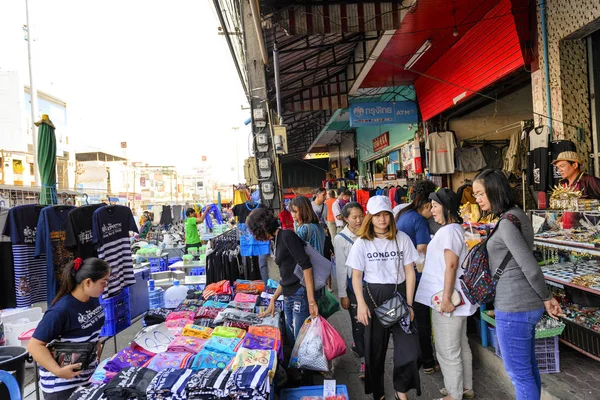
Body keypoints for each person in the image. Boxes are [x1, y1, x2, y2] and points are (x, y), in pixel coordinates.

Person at [473, 169, 564, 400]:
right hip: (524, 304)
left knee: (518, 374)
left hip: (515, 307)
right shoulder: (516, 214)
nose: (477, 199)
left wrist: (547, 298)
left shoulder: (506, 224)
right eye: (476, 195)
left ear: (494, 190)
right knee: (528, 369)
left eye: (480, 193)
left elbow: (530, 266)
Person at [346, 196, 421, 400]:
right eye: (377, 215)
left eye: (386, 214)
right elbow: (356, 276)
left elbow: (410, 272)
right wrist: (360, 304)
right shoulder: (361, 243)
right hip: (373, 297)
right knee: (375, 351)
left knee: (410, 349)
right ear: (370, 217)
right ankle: (378, 393)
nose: (382, 219)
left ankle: (401, 390)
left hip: (399, 297)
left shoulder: (402, 238)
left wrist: (410, 303)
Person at [415, 189, 478, 400]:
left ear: (447, 207)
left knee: (447, 349)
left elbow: (451, 265)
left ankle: (454, 394)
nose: (431, 210)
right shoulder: (454, 229)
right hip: (456, 299)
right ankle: (464, 388)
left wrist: (445, 298)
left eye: (435, 205)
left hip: (449, 300)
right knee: (460, 345)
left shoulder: (449, 231)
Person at [28, 258, 110, 400]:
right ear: (88, 282)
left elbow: (92, 331)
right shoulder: (60, 311)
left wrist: (96, 351)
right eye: (103, 282)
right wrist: (58, 371)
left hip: (86, 377)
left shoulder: (92, 299)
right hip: (62, 385)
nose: (106, 286)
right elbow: (34, 345)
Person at [246, 208, 320, 343]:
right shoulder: (276, 239)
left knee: (300, 340)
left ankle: (302, 364)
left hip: (299, 295)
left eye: (254, 231)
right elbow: (286, 276)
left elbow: (306, 266)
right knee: (292, 338)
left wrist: (311, 301)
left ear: (262, 226)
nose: (255, 236)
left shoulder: (286, 235)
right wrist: (273, 299)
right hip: (288, 295)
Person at [395, 179, 438, 374]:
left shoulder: (404, 213)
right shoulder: (419, 219)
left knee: (413, 318)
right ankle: (427, 361)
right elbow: (421, 249)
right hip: (417, 277)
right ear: (428, 204)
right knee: (422, 319)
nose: (434, 211)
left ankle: (418, 358)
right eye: (434, 206)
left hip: (404, 275)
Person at [333, 202, 366, 378]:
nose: (359, 220)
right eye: (354, 217)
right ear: (345, 219)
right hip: (353, 288)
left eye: (361, 215)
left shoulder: (368, 233)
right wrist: (343, 295)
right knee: (358, 324)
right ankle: (364, 361)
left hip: (370, 285)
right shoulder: (341, 239)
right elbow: (340, 268)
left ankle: (366, 352)